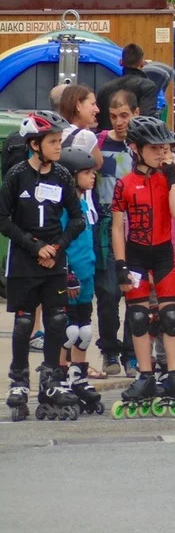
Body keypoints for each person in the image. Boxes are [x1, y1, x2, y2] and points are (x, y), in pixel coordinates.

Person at [111, 116, 175, 415]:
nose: (161, 153)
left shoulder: (168, 176)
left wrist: (173, 180)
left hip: (165, 253)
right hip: (136, 256)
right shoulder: (124, 184)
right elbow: (117, 227)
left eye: (164, 148)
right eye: (154, 148)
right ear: (136, 149)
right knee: (139, 317)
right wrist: (120, 264)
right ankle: (145, 376)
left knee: (171, 317)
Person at [2, 111, 85, 422]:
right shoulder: (16, 175)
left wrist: (57, 247)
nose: (58, 146)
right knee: (24, 322)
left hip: (54, 258)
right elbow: (2, 219)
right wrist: (35, 246)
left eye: (59, 141)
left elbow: (77, 219)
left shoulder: (62, 175)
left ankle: (51, 378)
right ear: (35, 145)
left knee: (57, 320)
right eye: (52, 142)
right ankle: (19, 381)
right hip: (25, 259)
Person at [93, 90, 139, 376]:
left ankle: (132, 353)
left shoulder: (142, 145)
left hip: (137, 226)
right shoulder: (99, 142)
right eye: (113, 116)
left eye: (124, 115)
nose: (119, 122)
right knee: (108, 293)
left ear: (136, 113)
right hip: (107, 227)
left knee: (135, 293)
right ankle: (109, 349)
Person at [57, 146, 103, 414]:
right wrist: (67, 274)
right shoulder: (64, 209)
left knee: (84, 331)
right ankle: (61, 375)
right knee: (67, 330)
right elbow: (59, 242)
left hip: (87, 276)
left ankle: (78, 374)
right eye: (87, 173)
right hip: (70, 277)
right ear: (71, 176)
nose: (92, 176)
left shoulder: (84, 203)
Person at [96, 44, 158, 129]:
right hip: (135, 136)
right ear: (142, 63)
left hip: (109, 136)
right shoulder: (147, 87)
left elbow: (99, 121)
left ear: (121, 62)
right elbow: (147, 121)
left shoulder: (105, 89)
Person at [58, 84, 103, 169]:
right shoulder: (86, 136)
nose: (97, 110)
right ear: (78, 105)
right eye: (93, 104)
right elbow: (98, 164)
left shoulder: (54, 132)